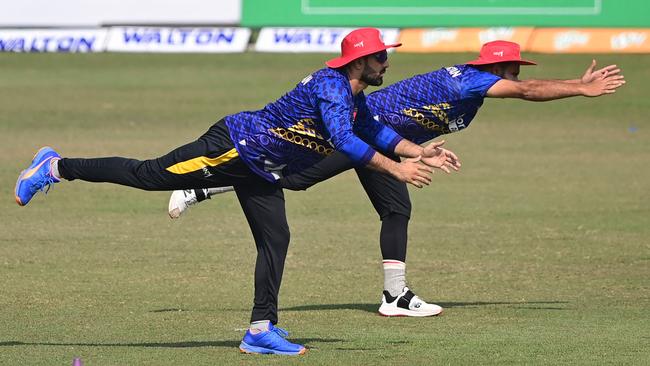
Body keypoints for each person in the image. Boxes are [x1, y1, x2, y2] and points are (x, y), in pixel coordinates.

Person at [14, 28, 461, 356]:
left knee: (277, 239)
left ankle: (260, 330)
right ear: (359, 60)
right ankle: (55, 166)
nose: (387, 62)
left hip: (261, 169)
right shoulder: (331, 87)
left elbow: (373, 130)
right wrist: (397, 170)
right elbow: (346, 142)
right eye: (381, 56)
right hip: (231, 148)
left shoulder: (354, 93)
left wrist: (417, 152)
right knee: (148, 174)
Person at [167, 40, 625, 317]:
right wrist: (580, 89)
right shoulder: (470, 81)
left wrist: (426, 148)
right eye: (511, 69)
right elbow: (527, 92)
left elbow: (444, 114)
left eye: (516, 69)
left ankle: (395, 295)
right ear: (493, 70)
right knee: (292, 179)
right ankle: (205, 183)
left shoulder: (473, 89)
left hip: (391, 140)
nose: (516, 75)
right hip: (365, 133)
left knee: (392, 208)